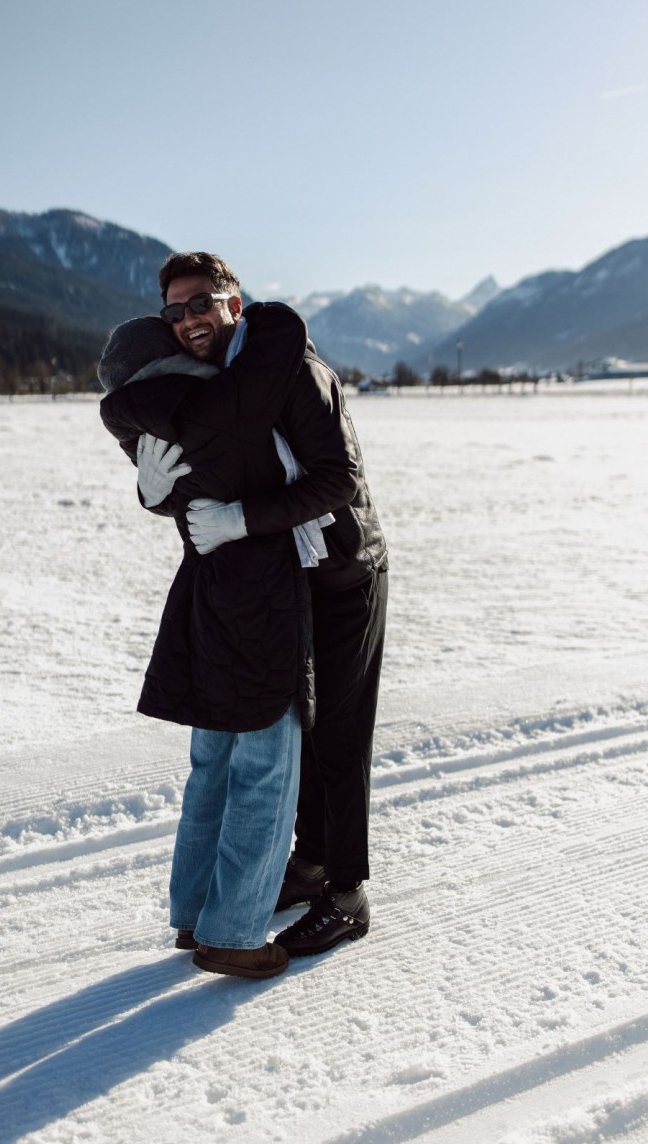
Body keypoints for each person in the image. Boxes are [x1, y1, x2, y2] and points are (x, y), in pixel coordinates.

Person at [148, 253, 388, 958]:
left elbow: (337, 480)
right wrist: (155, 492)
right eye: (175, 311)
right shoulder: (224, 381)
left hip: (342, 575)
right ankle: (309, 864)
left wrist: (242, 520)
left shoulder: (294, 372)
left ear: (234, 301)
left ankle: (347, 894)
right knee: (297, 735)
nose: (189, 320)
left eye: (201, 302)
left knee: (337, 737)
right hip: (284, 584)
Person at [100, 299, 315, 979]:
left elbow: (174, 490)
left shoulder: (142, 421)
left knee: (212, 766)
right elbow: (276, 358)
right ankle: (235, 933)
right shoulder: (215, 406)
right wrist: (266, 317)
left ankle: (194, 911)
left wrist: (152, 493)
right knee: (265, 768)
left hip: (201, 600)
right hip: (258, 602)